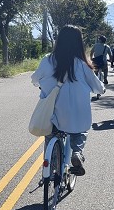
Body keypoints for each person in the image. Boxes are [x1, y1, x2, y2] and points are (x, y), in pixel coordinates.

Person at [31, 25, 105, 175]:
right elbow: (98, 88)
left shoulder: (47, 60)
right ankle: (77, 153)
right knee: (80, 132)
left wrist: (41, 85)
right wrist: (101, 90)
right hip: (77, 114)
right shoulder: (82, 64)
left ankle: (51, 169)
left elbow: (34, 79)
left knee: (51, 133)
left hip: (55, 113)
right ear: (79, 43)